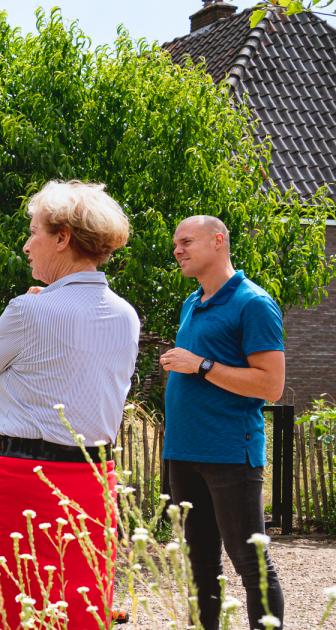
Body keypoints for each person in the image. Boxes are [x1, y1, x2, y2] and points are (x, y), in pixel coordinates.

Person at [0, 180, 139, 629]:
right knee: (82, 609)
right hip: (96, 479)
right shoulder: (126, 314)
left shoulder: (28, 310)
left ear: (63, 238)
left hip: (24, 479)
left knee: (9, 609)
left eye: (34, 231)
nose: (26, 245)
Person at [160, 215, 285, 630]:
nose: (177, 249)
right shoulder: (192, 303)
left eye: (185, 241)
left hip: (230, 451)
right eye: (175, 243)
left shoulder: (253, 303)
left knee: (250, 559)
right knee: (198, 562)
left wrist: (201, 365)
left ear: (218, 241)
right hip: (184, 452)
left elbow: (271, 386)